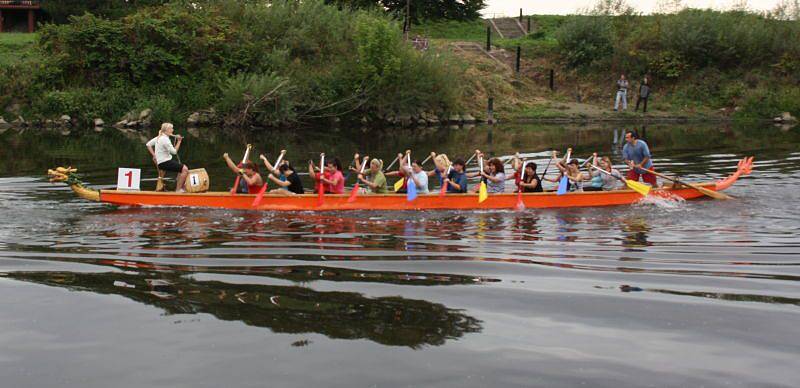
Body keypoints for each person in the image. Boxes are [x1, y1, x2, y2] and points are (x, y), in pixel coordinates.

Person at [146, 123, 189, 192]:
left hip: (162, 162)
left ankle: (180, 187)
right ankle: (178, 190)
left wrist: (154, 156)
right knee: (185, 169)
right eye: (171, 128)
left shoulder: (159, 137)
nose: (173, 130)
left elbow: (148, 144)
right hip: (164, 162)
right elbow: (174, 152)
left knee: (180, 170)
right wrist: (179, 141)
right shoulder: (165, 139)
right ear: (167, 130)